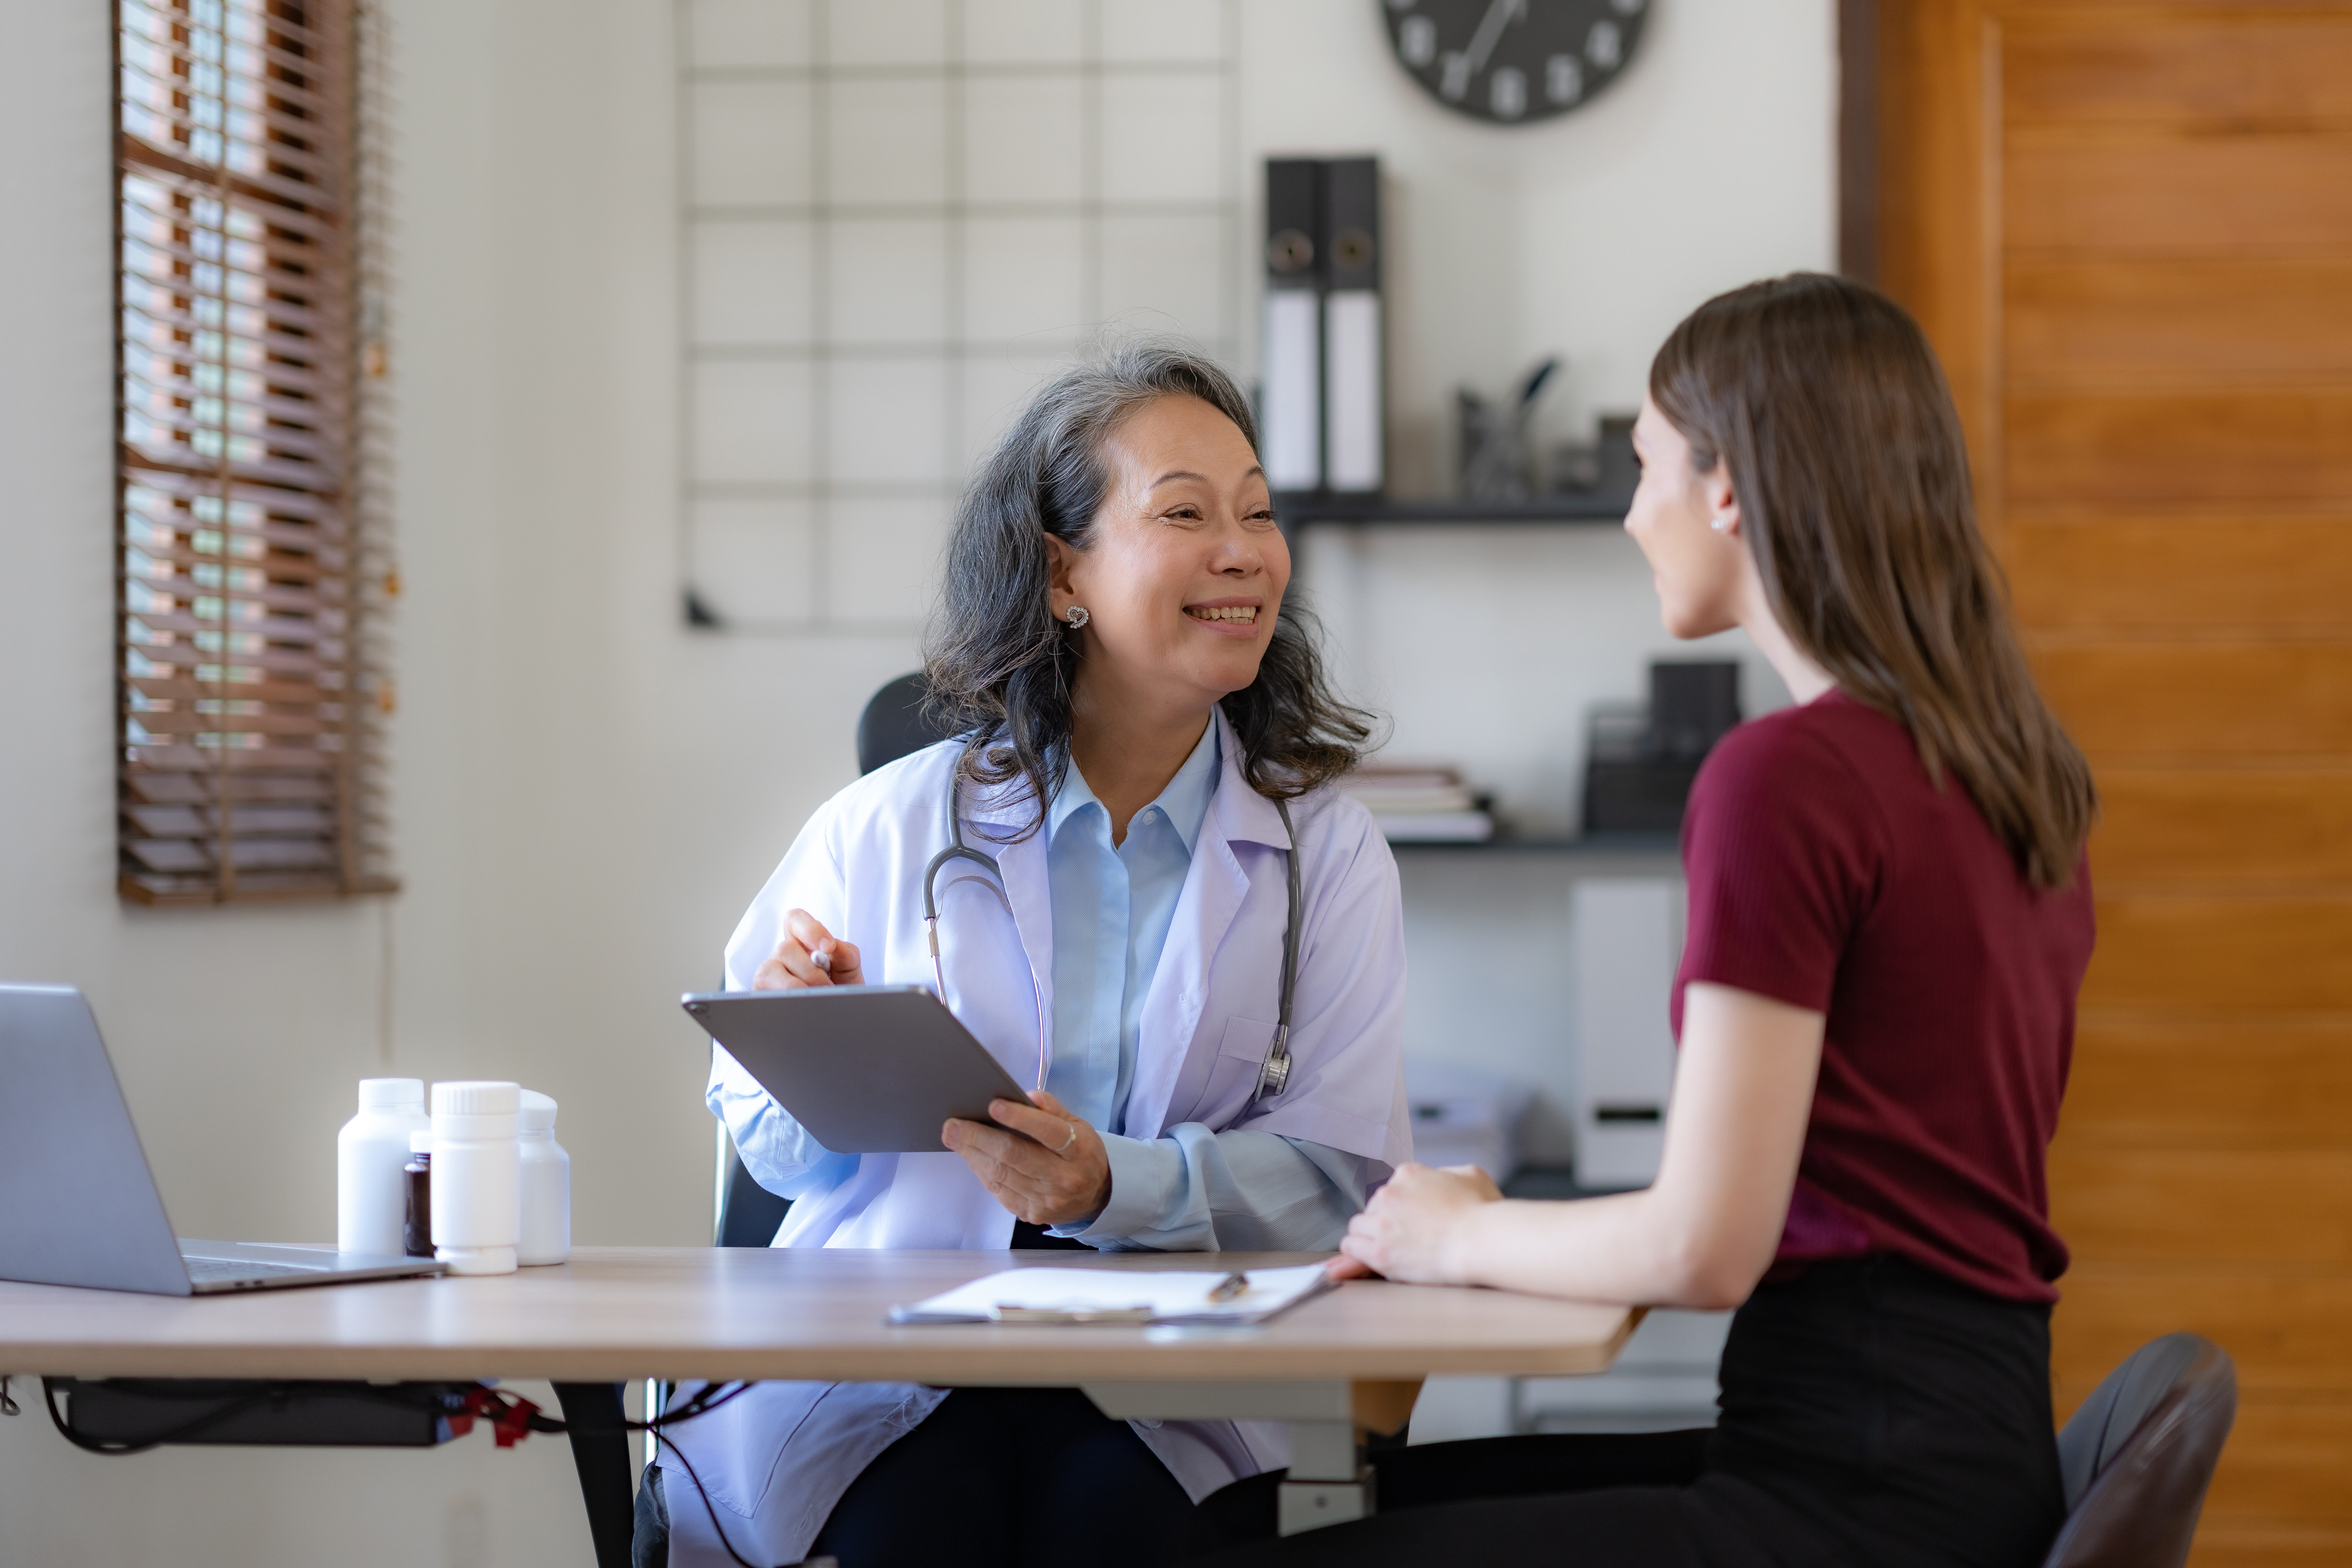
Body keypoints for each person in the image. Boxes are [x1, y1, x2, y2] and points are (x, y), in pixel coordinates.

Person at [1184, 273, 2099, 1567]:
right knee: (1248, 1520)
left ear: (1729, 490)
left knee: (1241, 1545)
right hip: (1956, 1457)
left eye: (1645, 464)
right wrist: (1486, 1233)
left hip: (1852, 1499)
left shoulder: (1787, 778)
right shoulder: (2007, 771)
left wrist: (1458, 1232)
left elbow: (1704, 1244)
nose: (1631, 513)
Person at [651, 343, 1412, 1568]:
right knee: (914, 1535)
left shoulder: (1326, 852)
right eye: (1184, 513)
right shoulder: (887, 827)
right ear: (1065, 573)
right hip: (895, 1359)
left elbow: (1341, 1180)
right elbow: (774, 1160)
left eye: (1258, 513)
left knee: (1119, 1530)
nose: (1244, 551)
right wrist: (806, 1037)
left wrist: (1115, 1187)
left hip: (1180, 1376)